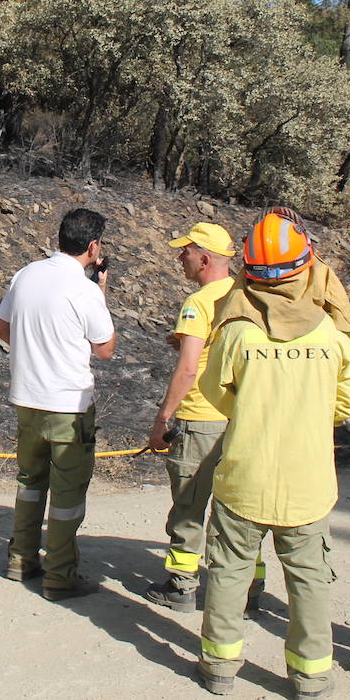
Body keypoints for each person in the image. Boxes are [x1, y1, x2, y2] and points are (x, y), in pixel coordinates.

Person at [194, 208, 350, 699]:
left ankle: (219, 669)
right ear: (305, 266)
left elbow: (213, 389)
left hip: (244, 477)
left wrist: (253, 412)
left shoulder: (238, 329)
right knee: (309, 580)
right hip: (307, 485)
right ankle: (311, 678)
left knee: (228, 572)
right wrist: (307, 416)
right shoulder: (330, 333)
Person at [0, 207, 117, 600]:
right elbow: (105, 349)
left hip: (27, 398)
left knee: (29, 481)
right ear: (93, 247)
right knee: (67, 494)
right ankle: (60, 575)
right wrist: (101, 293)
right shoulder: (83, 290)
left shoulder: (26, 274)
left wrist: (34, 352)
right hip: (68, 405)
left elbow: (0, 327)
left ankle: (21, 559)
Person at [142, 223, 265, 615]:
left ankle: (181, 585)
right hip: (243, 420)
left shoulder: (198, 303)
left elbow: (189, 369)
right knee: (239, 509)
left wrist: (163, 418)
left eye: (187, 252)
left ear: (206, 259)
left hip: (200, 420)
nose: (181, 257)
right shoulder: (249, 297)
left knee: (189, 507)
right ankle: (248, 587)